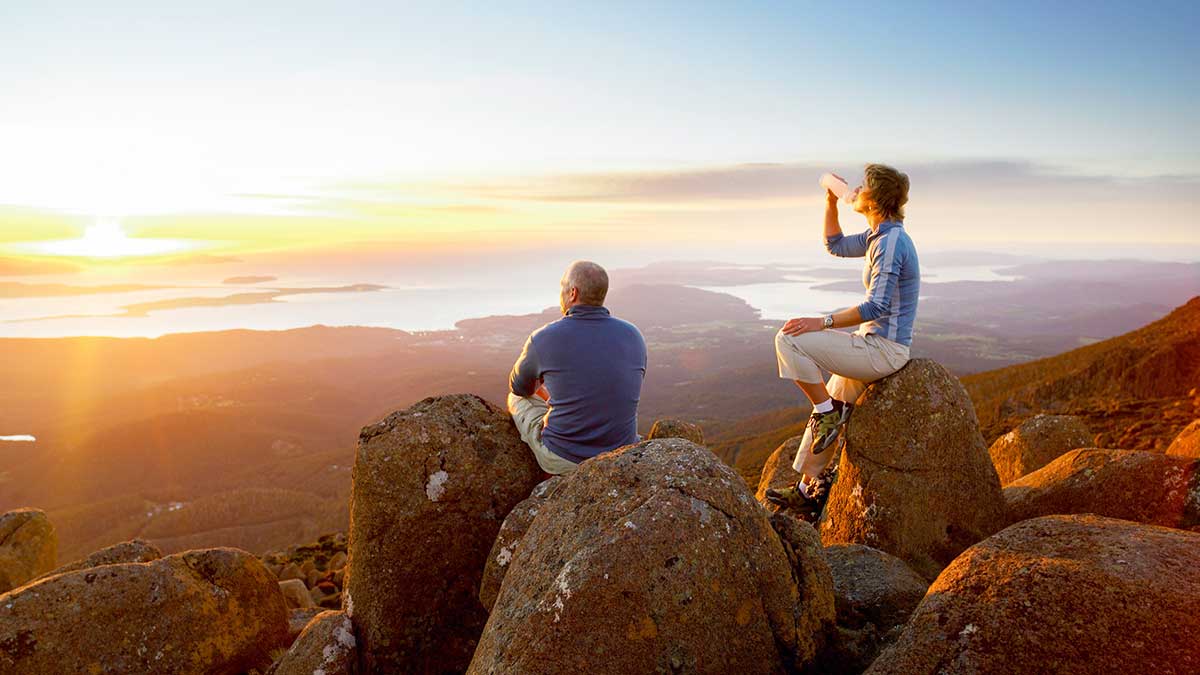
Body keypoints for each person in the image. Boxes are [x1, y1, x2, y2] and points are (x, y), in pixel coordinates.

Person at [765, 164, 920, 517]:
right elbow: (833, 245)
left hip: (882, 350)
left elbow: (877, 305)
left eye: (864, 186)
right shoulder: (879, 236)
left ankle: (827, 412)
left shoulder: (891, 241)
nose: (857, 188)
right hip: (873, 345)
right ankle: (808, 489)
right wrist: (831, 203)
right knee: (831, 402)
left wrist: (822, 322)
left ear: (874, 199)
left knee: (789, 339)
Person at [507, 260, 647, 475]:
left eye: (562, 287)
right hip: (622, 451)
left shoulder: (544, 338)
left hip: (565, 458)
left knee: (515, 399)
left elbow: (519, 388)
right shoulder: (633, 335)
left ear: (573, 293)